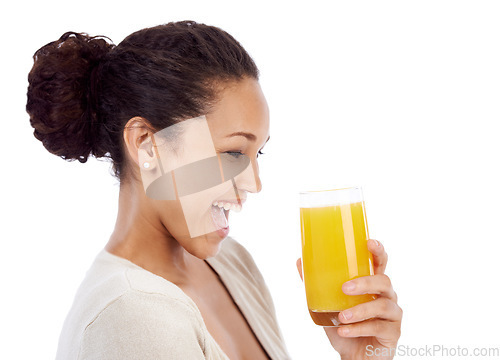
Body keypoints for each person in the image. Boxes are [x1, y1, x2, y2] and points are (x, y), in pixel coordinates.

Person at [26, 21, 402, 359]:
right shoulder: (132, 312)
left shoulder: (230, 262)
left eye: (258, 152)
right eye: (233, 152)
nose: (254, 184)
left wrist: (362, 356)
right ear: (145, 144)